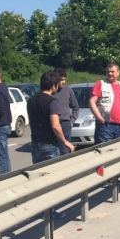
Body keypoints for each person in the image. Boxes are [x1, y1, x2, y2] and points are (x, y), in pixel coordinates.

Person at [27, 70, 75, 219]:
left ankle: (40, 209)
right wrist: (65, 142)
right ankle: (50, 211)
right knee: (50, 180)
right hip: (50, 145)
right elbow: (55, 125)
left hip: (35, 144)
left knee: (38, 180)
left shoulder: (31, 100)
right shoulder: (52, 102)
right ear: (54, 85)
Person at [89, 63, 120, 144]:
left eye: (112, 71)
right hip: (106, 125)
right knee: (105, 151)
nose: (110, 74)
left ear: (118, 72)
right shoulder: (101, 84)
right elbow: (91, 101)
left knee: (117, 152)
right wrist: (99, 117)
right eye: (108, 72)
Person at [52, 68, 79, 155]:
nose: (64, 82)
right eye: (61, 80)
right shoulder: (50, 92)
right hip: (52, 125)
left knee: (65, 151)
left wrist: (71, 121)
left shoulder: (68, 90)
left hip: (65, 125)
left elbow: (75, 107)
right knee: (53, 152)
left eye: (64, 79)